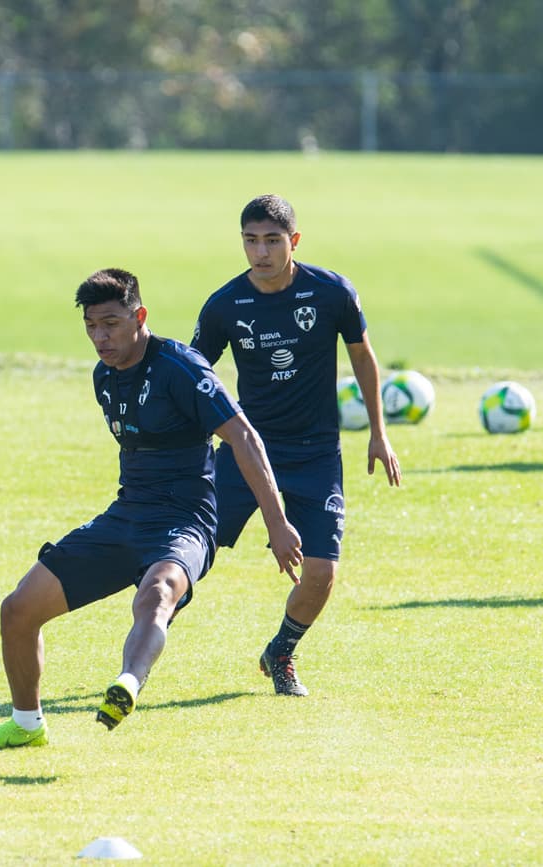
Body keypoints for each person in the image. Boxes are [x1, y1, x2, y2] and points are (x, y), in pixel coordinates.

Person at [0, 268, 301, 751]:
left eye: (111, 324)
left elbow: (244, 437)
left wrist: (276, 519)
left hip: (185, 522)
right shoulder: (104, 376)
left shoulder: (182, 368)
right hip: (126, 516)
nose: (100, 338)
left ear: (139, 317)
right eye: (91, 327)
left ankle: (127, 683)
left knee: (157, 594)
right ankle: (25, 724)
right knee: (18, 609)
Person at [191, 194, 402, 697]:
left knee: (322, 572)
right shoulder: (224, 305)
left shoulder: (331, 293)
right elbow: (194, 374)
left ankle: (281, 652)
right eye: (250, 241)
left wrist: (379, 432)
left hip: (315, 453)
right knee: (186, 553)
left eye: (272, 240)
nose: (260, 252)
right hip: (247, 448)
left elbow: (363, 357)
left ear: (294, 241)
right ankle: (147, 638)